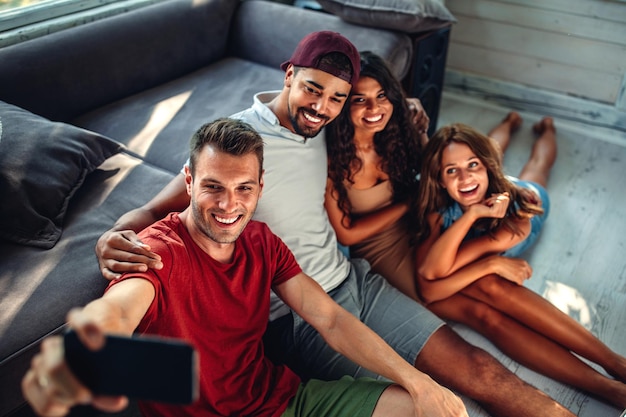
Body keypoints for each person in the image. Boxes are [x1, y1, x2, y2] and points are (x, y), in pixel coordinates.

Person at [94, 31, 576, 416]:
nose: (322, 107)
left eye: (337, 98)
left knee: (477, 369)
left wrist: (407, 111)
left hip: (355, 281)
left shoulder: (331, 125)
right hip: (295, 315)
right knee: (414, 402)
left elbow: (378, 112)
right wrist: (112, 236)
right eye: (312, 89)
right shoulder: (241, 145)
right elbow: (157, 212)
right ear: (288, 76)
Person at [22, 118, 467, 417]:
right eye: (213, 187)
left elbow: (329, 318)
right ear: (190, 181)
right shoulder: (160, 249)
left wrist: (418, 380)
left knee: (420, 407)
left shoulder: (261, 241)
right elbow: (119, 309)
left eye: (243, 188)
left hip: (280, 401)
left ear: (259, 187)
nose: (229, 205)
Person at [324, 51, 626, 409]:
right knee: (483, 308)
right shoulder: (336, 156)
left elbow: (442, 163)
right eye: (359, 99)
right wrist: (410, 201)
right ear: (344, 103)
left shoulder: (398, 128)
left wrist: (415, 124)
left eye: (382, 96)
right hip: (387, 253)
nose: (374, 108)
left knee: (511, 165)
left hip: (428, 226)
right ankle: (607, 387)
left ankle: (615, 363)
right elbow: (346, 234)